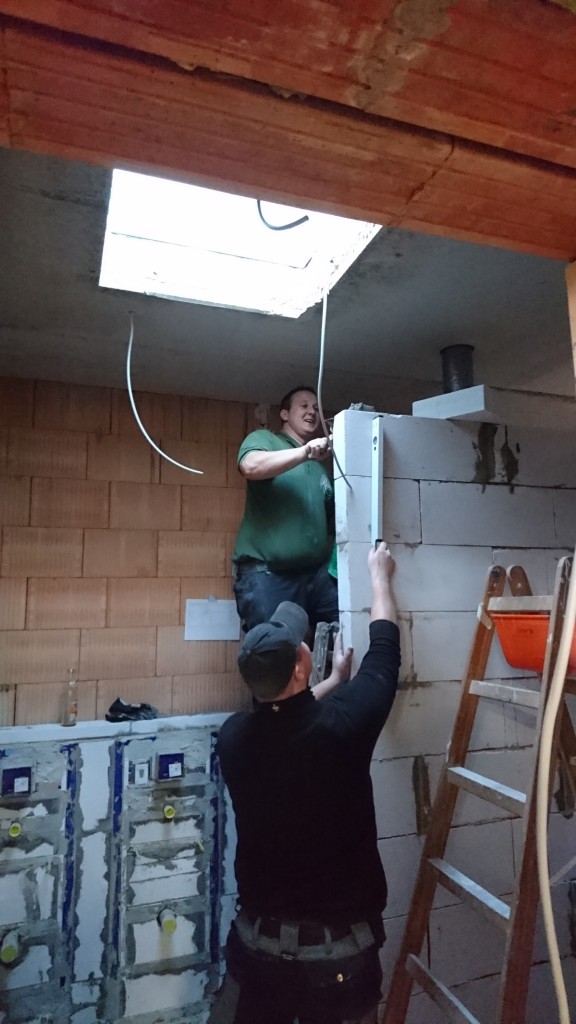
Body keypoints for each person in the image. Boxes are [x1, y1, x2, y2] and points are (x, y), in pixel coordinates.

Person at [209, 541, 400, 1024]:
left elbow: (282, 718)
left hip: (256, 951)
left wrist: (331, 682)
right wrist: (380, 577)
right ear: (301, 664)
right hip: (338, 959)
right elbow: (384, 651)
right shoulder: (343, 727)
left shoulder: (233, 739)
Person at [232, 385, 338, 634]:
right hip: (268, 575)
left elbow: (333, 522)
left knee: (347, 631)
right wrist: (304, 452)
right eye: (304, 406)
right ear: (284, 414)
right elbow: (250, 466)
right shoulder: (266, 440)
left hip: (316, 576)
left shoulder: (319, 467)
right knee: (275, 648)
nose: (312, 412)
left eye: (316, 408)